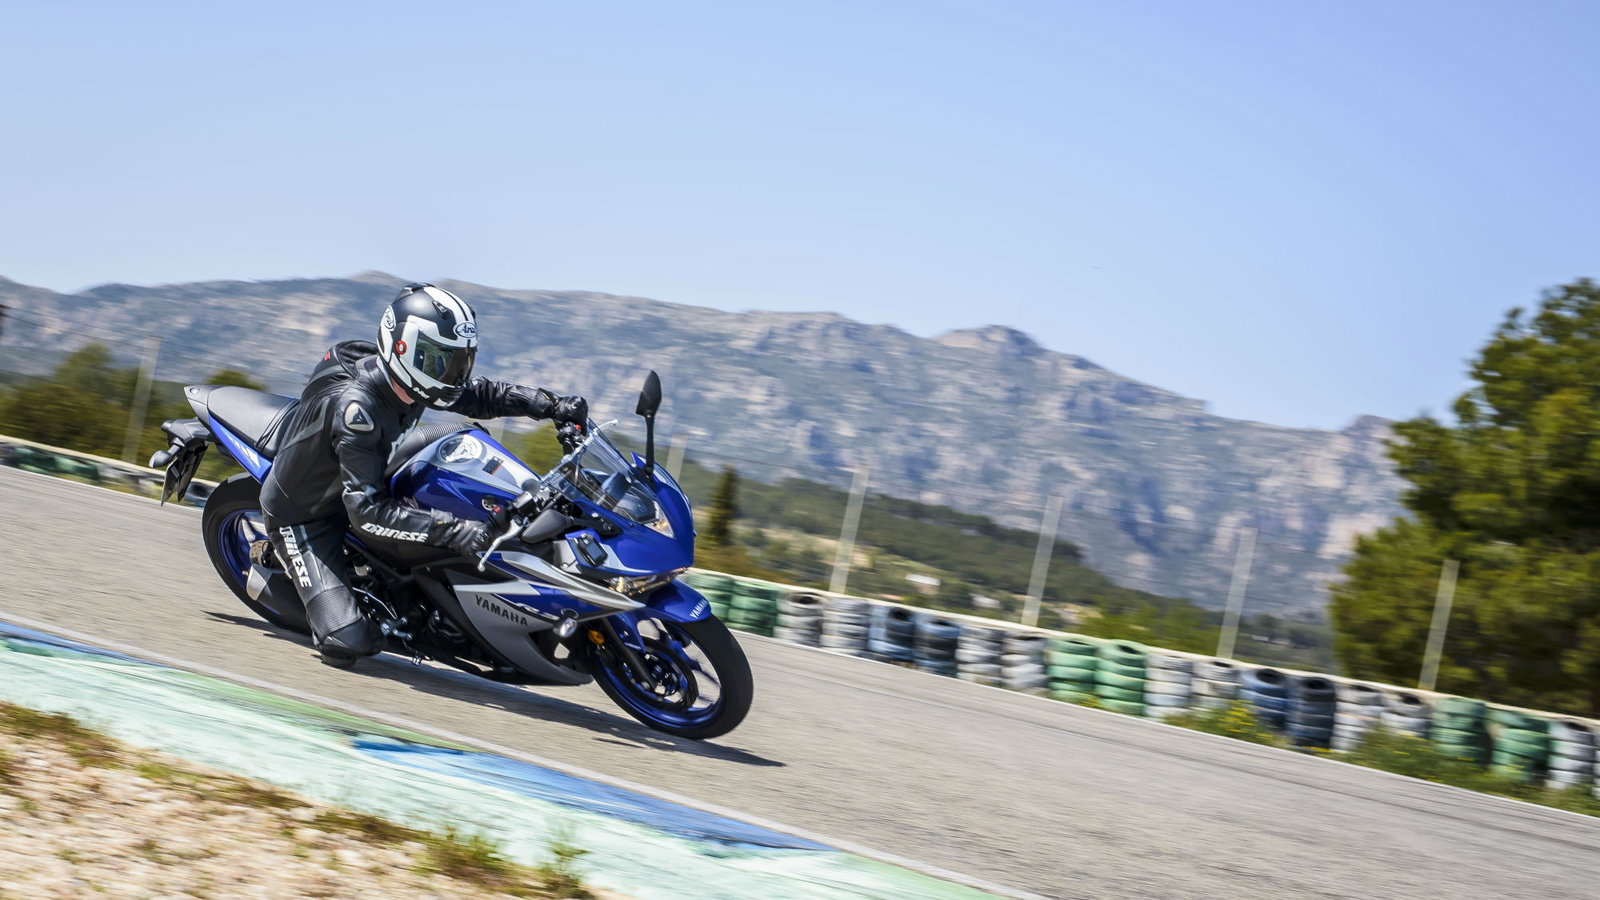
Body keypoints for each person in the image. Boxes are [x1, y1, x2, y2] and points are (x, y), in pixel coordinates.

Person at [259, 283, 587, 667]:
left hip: (372, 463)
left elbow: (481, 395)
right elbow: (366, 513)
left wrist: (550, 405)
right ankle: (290, 577)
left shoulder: (410, 380)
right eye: (441, 361)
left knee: (469, 440)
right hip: (306, 513)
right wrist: (457, 531)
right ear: (403, 348)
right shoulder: (358, 412)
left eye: (460, 361)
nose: (453, 374)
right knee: (350, 642)